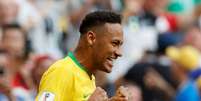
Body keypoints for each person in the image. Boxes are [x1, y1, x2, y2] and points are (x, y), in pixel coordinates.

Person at [35, 11, 130, 101]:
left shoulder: (89, 77)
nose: (119, 53)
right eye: (114, 43)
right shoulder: (62, 71)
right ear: (91, 38)